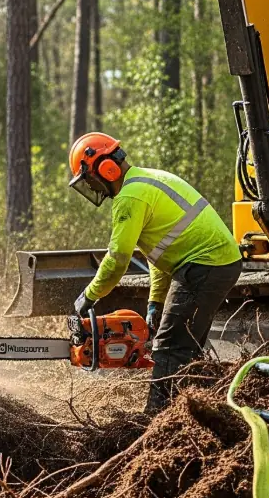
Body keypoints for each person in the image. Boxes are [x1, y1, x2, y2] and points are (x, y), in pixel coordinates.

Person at [67, 132, 243, 413]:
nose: (94, 187)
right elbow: (160, 253)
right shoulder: (145, 180)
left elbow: (116, 261)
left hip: (204, 265)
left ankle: (156, 420)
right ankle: (199, 409)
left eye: (90, 180)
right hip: (214, 263)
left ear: (106, 168)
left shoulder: (130, 197)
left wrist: (88, 297)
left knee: (169, 347)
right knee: (186, 346)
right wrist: (155, 302)